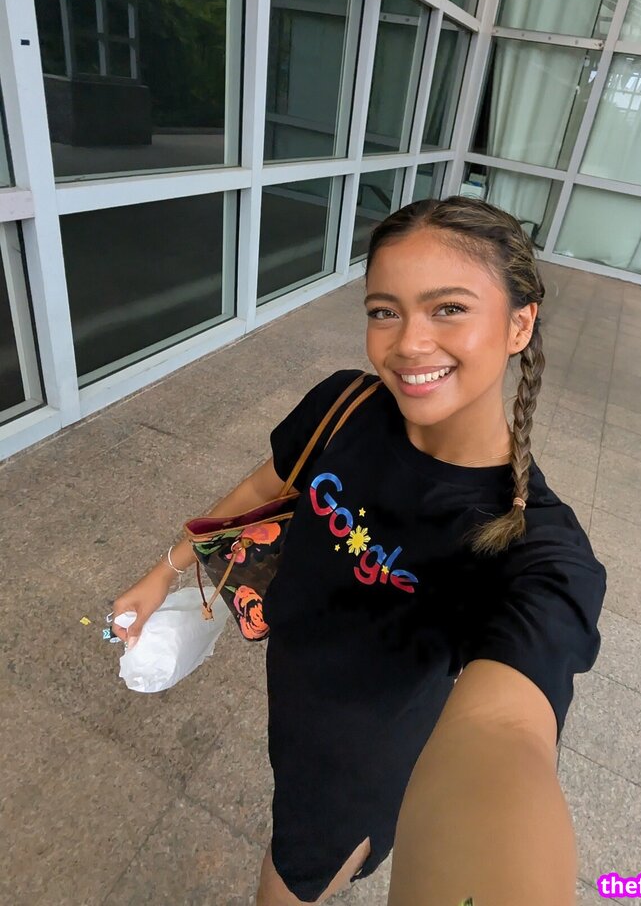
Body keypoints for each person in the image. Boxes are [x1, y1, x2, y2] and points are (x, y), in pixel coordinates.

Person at [112, 196, 606, 906]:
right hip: (294, 698)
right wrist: (163, 572)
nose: (408, 344)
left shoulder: (535, 546)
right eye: (384, 311)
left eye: (449, 309)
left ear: (519, 324)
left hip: (354, 769)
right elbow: (266, 485)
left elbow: (505, 736)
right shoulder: (346, 404)